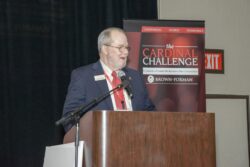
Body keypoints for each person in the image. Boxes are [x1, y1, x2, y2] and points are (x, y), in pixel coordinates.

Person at [62, 27, 155, 132]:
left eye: (127, 48)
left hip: (135, 141)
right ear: (105, 49)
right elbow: (69, 118)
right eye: (120, 47)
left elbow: (150, 112)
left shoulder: (135, 77)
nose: (125, 52)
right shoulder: (83, 76)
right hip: (100, 144)